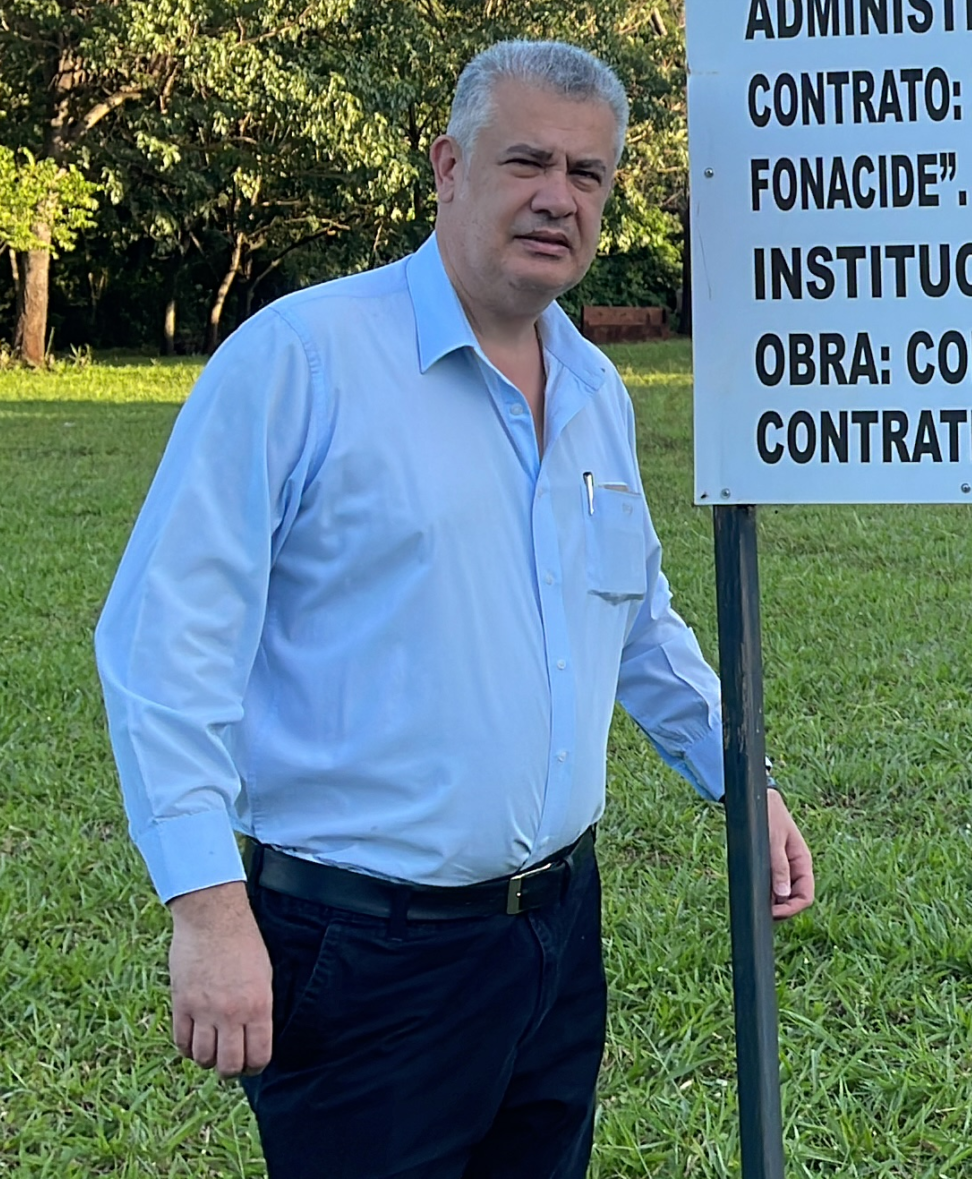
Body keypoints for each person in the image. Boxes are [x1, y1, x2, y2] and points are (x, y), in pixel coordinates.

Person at [94, 40, 814, 1178]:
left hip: (553, 936)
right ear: (446, 166)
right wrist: (205, 909)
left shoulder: (591, 387)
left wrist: (740, 774)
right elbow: (161, 647)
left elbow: (636, 622)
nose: (556, 198)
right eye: (526, 161)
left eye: (587, 175)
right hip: (361, 949)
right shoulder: (301, 360)